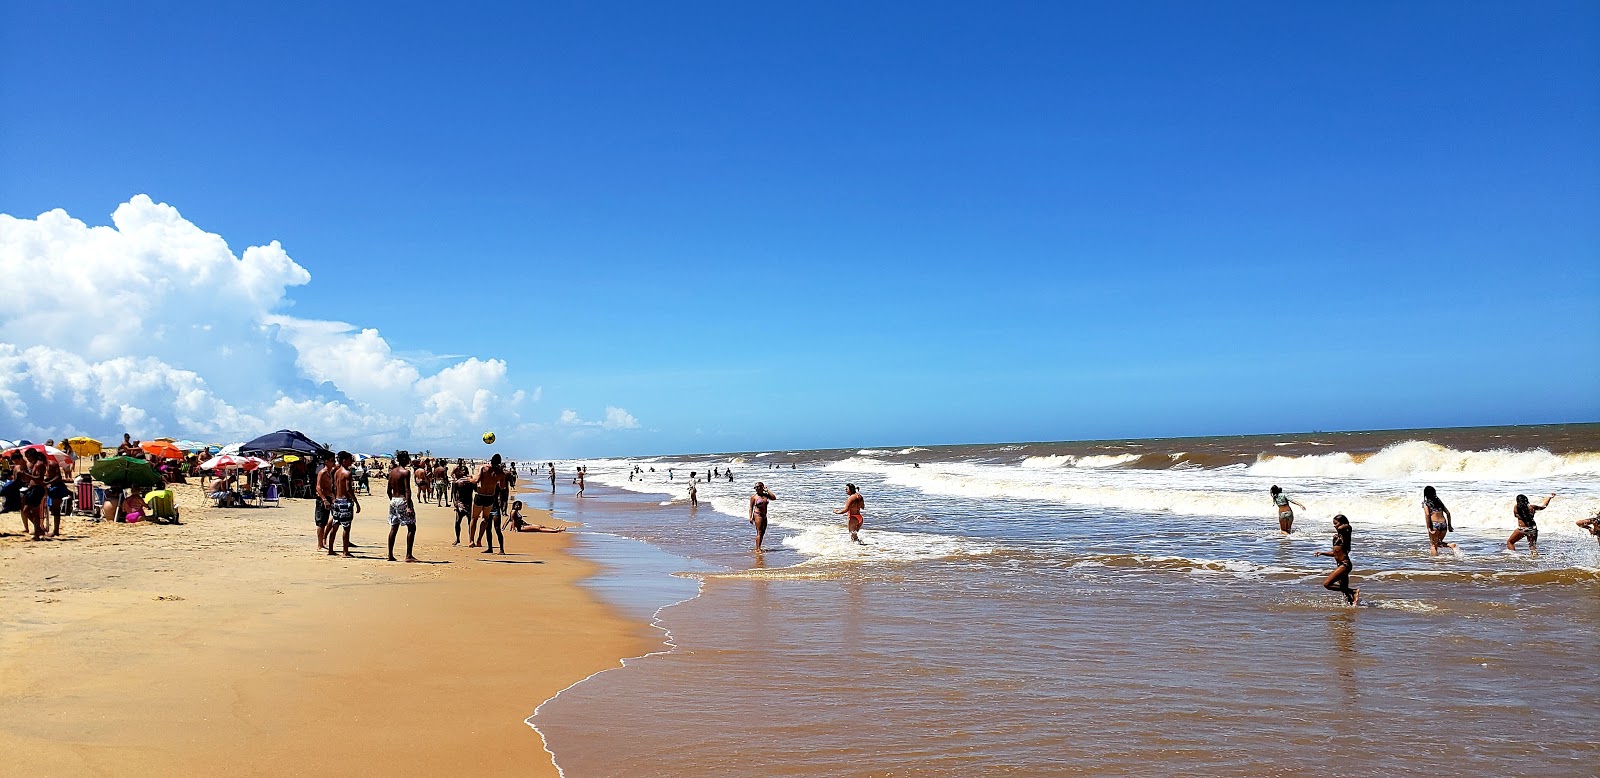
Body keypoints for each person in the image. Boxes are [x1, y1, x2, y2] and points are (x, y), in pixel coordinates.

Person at [1314, 514, 1359, 605]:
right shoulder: (1336, 537)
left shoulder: (1346, 534)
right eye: (1333, 524)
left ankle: (1354, 591)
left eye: (1336, 523)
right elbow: (1335, 553)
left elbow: (1347, 527)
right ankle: (1350, 610)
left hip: (1345, 565)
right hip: (1340, 565)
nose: (1334, 526)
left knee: (1327, 584)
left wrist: (1344, 524)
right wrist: (1322, 553)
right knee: (1345, 593)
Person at [327, 451, 361, 558]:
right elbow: (348, 489)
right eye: (350, 459)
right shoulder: (347, 473)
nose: (351, 461)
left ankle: (331, 549)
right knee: (346, 527)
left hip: (337, 500)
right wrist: (356, 502)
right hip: (345, 501)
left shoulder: (336, 472)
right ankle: (345, 551)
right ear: (344, 460)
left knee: (335, 525)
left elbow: (334, 486)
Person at [387, 451, 418, 562]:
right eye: (407, 458)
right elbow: (407, 490)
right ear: (404, 459)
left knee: (394, 528)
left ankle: (390, 555)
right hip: (402, 500)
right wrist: (408, 505)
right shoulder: (405, 472)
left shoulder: (391, 472)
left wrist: (393, 501)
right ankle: (408, 555)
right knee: (411, 527)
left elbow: (388, 490)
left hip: (394, 500)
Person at [473, 455, 507, 553]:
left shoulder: (491, 477)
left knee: (494, 528)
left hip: (493, 505)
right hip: (493, 504)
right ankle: (492, 548)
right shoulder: (499, 477)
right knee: (491, 528)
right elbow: (502, 487)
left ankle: (500, 549)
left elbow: (477, 482)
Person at [1422, 485, 1456, 556]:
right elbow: (1448, 513)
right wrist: (1449, 525)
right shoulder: (1438, 502)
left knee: (1433, 545)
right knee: (1437, 543)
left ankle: (1434, 562)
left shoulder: (1426, 503)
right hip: (1443, 524)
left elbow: (1428, 515)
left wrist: (1429, 527)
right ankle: (1450, 546)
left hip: (1435, 524)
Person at [314, 457, 335, 550]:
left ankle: (324, 539)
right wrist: (324, 499)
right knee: (321, 522)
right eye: (332, 461)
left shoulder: (331, 472)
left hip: (330, 497)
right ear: (327, 462)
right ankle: (320, 544)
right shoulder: (322, 472)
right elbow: (318, 487)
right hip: (322, 498)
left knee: (330, 519)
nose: (334, 463)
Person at [748, 482, 775, 550]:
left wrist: (767, 490)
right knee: (759, 532)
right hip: (757, 515)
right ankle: (758, 549)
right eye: (755, 487)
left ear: (762, 487)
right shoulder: (754, 497)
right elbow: (751, 507)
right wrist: (750, 517)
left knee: (763, 532)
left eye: (758, 487)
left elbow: (774, 498)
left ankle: (759, 546)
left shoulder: (766, 495)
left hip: (764, 515)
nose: (756, 489)